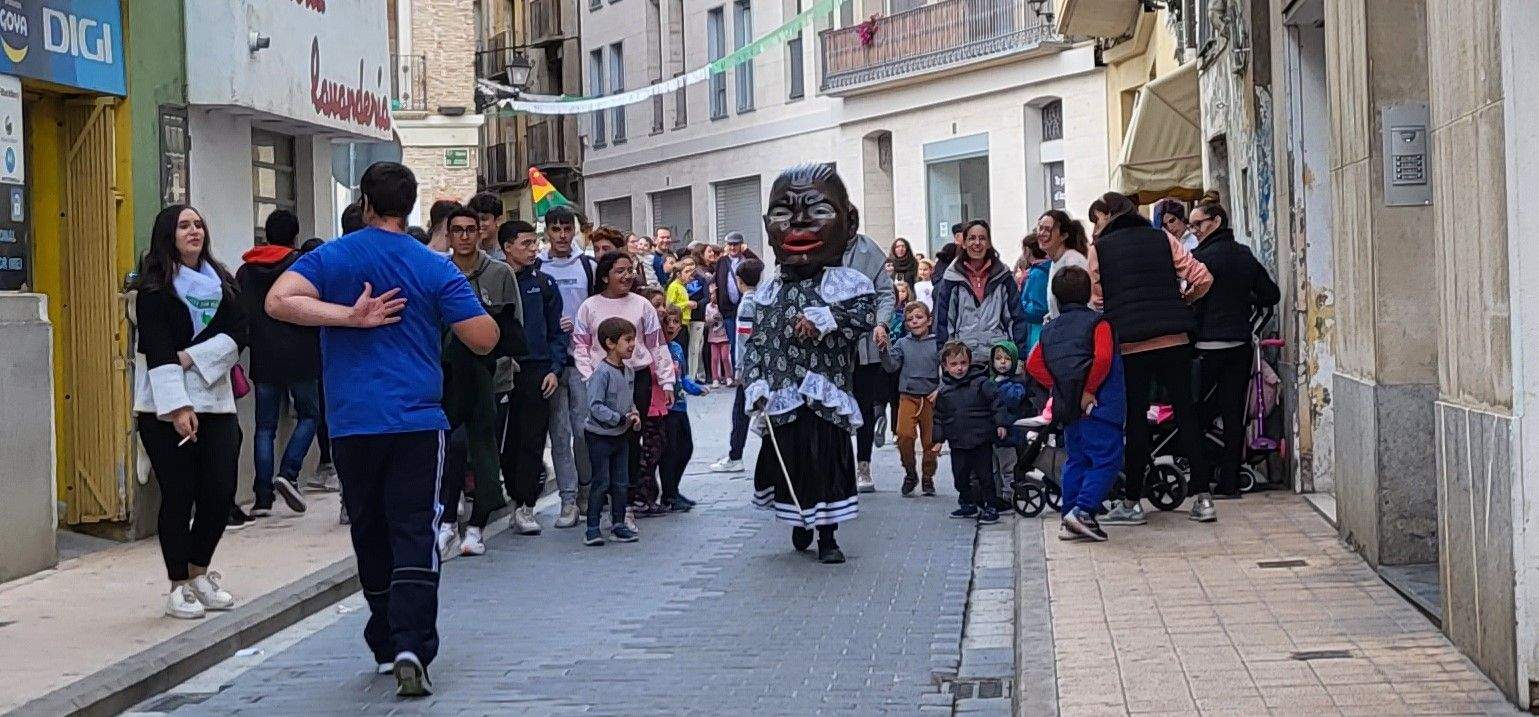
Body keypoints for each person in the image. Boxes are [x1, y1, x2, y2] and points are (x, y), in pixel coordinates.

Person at [267, 161, 498, 697]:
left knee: (369, 528)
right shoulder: (434, 266)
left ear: (366, 204)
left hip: (351, 423)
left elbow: (278, 301)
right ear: (411, 205)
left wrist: (348, 316)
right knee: (414, 528)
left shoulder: (331, 257)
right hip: (418, 420)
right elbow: (484, 338)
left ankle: (384, 638)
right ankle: (413, 643)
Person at [742, 163, 878, 565]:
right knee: (791, 464)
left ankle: (828, 535)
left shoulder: (848, 286)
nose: (799, 223)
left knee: (827, 464)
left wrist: (827, 319)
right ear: (769, 227)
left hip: (826, 397)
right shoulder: (765, 296)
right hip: (784, 400)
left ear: (848, 223)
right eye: (784, 213)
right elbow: (757, 348)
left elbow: (864, 318)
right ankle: (800, 519)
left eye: (818, 211)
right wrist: (755, 384)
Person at [133, 204, 248, 620]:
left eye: (198, 224)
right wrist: (178, 407)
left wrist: (192, 356)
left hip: (216, 401)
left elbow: (239, 334)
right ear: (169, 234)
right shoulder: (154, 288)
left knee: (219, 493)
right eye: (184, 225)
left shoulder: (223, 282)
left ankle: (201, 573)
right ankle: (178, 584)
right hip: (164, 407)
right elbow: (157, 348)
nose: (194, 231)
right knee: (179, 495)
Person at [1085, 191, 1214, 526]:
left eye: (1097, 219)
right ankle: (1203, 499)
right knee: (1186, 414)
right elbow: (1203, 277)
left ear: (1110, 215)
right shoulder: (1162, 238)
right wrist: (1184, 299)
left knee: (1137, 419)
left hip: (1130, 345)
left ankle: (1132, 503)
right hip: (1174, 339)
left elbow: (1096, 301)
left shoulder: (1099, 250)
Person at [571, 252, 677, 531]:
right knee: (601, 437)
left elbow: (657, 345)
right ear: (605, 275)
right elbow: (580, 345)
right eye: (620, 271)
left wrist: (667, 381)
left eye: (630, 270)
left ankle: (626, 506)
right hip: (600, 378)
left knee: (631, 439)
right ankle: (603, 503)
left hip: (635, 378)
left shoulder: (643, 305)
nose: (627, 276)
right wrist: (589, 376)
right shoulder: (589, 307)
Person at [440, 206, 520, 555]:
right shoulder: (438, 270)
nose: (464, 236)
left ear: (481, 232)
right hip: (446, 379)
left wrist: (505, 363)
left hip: (491, 377)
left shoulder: (499, 273)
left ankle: (477, 525)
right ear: (449, 234)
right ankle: (445, 521)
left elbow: (514, 324)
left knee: (485, 452)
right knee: (452, 449)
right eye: (457, 230)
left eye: (471, 229)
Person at [1024, 266, 1125, 542]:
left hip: (1068, 407)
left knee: (1076, 459)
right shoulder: (1099, 324)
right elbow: (1103, 359)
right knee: (1107, 457)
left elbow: (1034, 364)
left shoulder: (1049, 329)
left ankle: (1068, 516)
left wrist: (1062, 387)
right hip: (1100, 404)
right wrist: (1087, 389)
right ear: (1089, 292)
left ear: (1055, 297)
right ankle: (1083, 511)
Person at [1189, 201, 1280, 499]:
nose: (1194, 230)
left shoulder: (1199, 259)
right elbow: (1271, 294)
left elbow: (1192, 303)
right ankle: (1230, 480)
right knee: (1233, 413)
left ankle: (1199, 479)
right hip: (1239, 344)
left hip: (1205, 346)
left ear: (1215, 222)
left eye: (1197, 224)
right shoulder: (1244, 255)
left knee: (1197, 414)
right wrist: (1245, 299)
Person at [236, 208, 315, 517]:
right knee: (309, 415)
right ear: (295, 236)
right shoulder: (301, 266)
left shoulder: (245, 272)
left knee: (264, 427)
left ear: (266, 234)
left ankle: (262, 497)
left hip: (264, 356)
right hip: (302, 353)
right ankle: (290, 472)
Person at [499, 220, 574, 530]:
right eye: (525, 243)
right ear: (507, 247)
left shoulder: (544, 284)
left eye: (534, 243)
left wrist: (555, 370)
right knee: (505, 439)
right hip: (501, 369)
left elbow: (557, 331)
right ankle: (509, 492)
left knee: (532, 438)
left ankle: (526, 504)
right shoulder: (494, 280)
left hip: (537, 369)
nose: (533, 249)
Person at [539, 206, 598, 520]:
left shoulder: (587, 266)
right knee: (558, 433)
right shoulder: (537, 266)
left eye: (566, 229)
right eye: (555, 229)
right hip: (552, 362)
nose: (561, 236)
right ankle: (568, 499)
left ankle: (588, 491)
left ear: (574, 231)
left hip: (583, 359)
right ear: (547, 232)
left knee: (583, 429)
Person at [841, 207, 897, 494]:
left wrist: (882, 324)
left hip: (865, 343)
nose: (848, 228)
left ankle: (863, 464)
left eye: (852, 223)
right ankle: (837, 467)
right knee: (833, 406)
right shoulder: (822, 247)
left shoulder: (869, 249)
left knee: (863, 405)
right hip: (832, 343)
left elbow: (886, 293)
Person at [582, 317, 643, 545]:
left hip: (621, 435)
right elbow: (595, 405)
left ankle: (618, 524)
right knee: (601, 481)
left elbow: (629, 401)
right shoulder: (602, 373)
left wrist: (633, 416)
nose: (632, 345)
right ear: (610, 343)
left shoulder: (628, 372)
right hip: (600, 436)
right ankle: (592, 527)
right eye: (627, 340)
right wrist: (617, 418)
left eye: (633, 339)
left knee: (620, 482)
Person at [933, 219, 1029, 361]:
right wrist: (945, 359)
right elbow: (944, 323)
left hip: (999, 359)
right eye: (972, 238)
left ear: (989, 243)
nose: (977, 243)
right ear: (964, 243)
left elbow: (1016, 319)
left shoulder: (1003, 276)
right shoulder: (952, 278)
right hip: (963, 361)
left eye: (982, 238)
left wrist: (1018, 356)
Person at [931, 341, 1000, 525]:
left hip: (981, 439)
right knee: (960, 476)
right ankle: (967, 502)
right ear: (945, 367)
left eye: (963, 363)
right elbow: (939, 417)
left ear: (969, 362)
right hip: (958, 443)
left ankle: (991, 505)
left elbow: (996, 403)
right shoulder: (944, 392)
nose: (959, 368)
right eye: (953, 364)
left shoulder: (981, 383)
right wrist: (938, 440)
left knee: (985, 475)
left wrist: (1001, 424)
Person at [708, 258, 764, 474]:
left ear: (739, 280)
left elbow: (743, 340)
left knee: (740, 412)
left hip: (749, 367)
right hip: (759, 365)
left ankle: (735, 456)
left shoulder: (746, 305)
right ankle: (735, 454)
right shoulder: (760, 300)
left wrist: (739, 369)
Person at [881, 301, 940, 496]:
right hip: (908, 396)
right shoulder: (902, 344)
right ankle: (910, 472)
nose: (915, 322)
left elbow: (948, 370)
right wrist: (883, 351)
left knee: (930, 442)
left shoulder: (937, 343)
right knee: (904, 436)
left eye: (919, 317)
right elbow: (891, 366)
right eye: (910, 319)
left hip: (930, 397)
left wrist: (940, 389)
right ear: (906, 324)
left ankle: (927, 477)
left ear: (929, 320)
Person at [660, 306, 708, 511]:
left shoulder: (677, 349)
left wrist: (696, 389)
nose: (672, 326)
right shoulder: (659, 349)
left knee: (686, 448)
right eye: (667, 322)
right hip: (666, 408)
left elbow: (683, 378)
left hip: (680, 406)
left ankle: (674, 489)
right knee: (670, 451)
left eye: (675, 322)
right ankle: (669, 494)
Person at [712, 231, 759, 363]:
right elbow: (717, 280)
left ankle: (744, 368)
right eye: (730, 244)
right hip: (727, 309)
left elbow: (759, 265)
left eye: (736, 245)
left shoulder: (746, 260)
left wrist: (747, 251)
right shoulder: (722, 261)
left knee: (744, 339)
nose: (733, 248)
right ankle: (734, 372)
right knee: (732, 341)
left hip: (743, 305)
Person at [1036, 210, 1091, 320]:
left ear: (1063, 236)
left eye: (1048, 229)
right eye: (1040, 228)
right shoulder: (1054, 263)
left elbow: (1081, 306)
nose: (1042, 233)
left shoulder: (1074, 262)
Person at [665, 255, 700, 375]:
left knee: (684, 351)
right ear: (679, 274)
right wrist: (686, 303)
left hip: (685, 322)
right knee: (678, 351)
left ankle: (683, 376)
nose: (689, 274)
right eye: (686, 272)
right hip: (678, 323)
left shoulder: (682, 287)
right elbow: (670, 306)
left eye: (690, 271)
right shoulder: (674, 287)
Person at [686, 246, 713, 383]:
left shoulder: (702, 279)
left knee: (698, 346)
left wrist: (697, 305)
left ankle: (697, 375)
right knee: (690, 347)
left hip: (699, 316)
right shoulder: (680, 282)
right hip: (685, 317)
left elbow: (706, 297)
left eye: (692, 265)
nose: (690, 268)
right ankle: (691, 374)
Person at [1020, 237, 1051, 350]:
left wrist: (1020, 303)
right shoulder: (1048, 268)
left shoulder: (1037, 273)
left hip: (1036, 328)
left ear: (1028, 250)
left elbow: (1037, 308)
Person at [705, 285, 732, 388]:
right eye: (711, 294)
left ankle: (728, 377)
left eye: (714, 294)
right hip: (713, 336)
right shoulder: (708, 307)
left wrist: (720, 315)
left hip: (724, 335)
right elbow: (707, 321)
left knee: (725, 357)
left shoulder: (723, 306)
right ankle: (715, 378)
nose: (712, 296)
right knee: (714, 358)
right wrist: (712, 318)